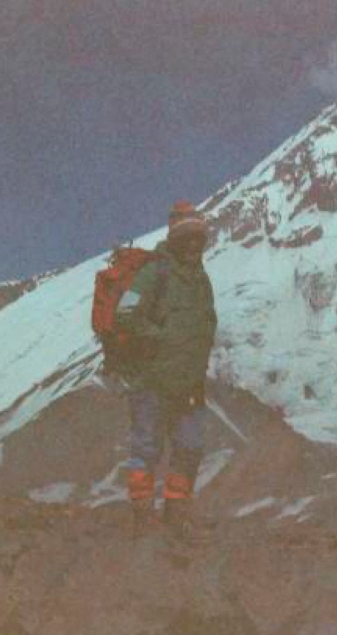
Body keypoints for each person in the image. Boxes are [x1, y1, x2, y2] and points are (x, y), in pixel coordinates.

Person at [115, 200, 217, 536]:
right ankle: (142, 516)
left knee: (189, 448)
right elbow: (125, 313)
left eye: (198, 238)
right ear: (174, 238)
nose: (193, 244)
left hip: (189, 384)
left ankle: (176, 515)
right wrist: (161, 339)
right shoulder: (154, 272)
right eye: (187, 238)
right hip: (152, 379)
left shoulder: (201, 281)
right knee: (146, 447)